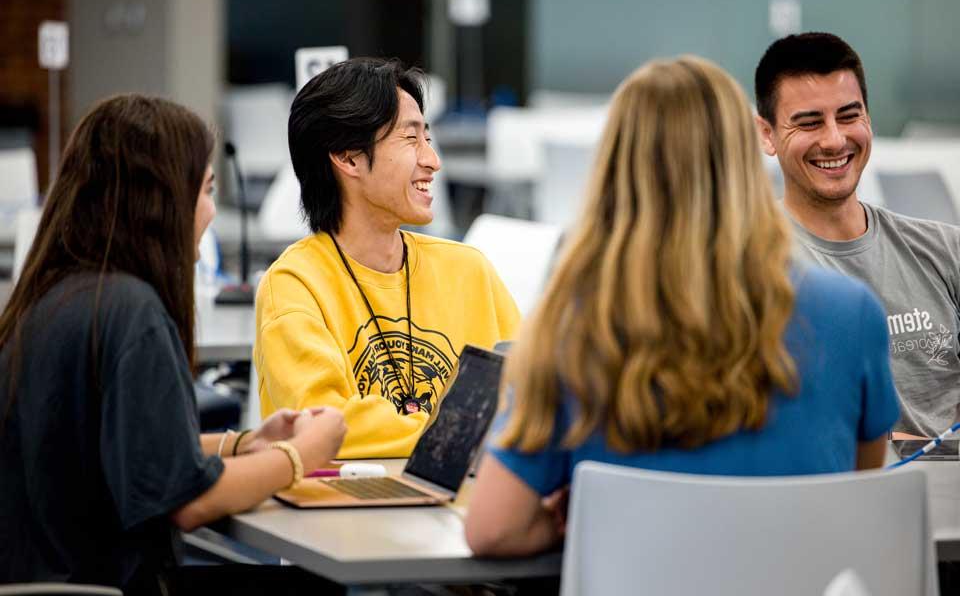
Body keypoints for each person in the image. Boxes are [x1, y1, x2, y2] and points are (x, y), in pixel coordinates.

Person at [464, 56, 899, 557]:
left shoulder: (574, 328)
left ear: (615, 165)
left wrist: (570, 522)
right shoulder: (853, 315)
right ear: (744, 158)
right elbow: (861, 496)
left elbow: (493, 529)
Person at [0, 94, 346, 594]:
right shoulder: (133, 313)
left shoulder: (56, 295)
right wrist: (299, 457)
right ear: (162, 198)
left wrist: (247, 443)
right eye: (205, 190)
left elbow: (133, 449)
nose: (210, 212)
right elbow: (186, 501)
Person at [255, 58, 520, 459]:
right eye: (410, 139)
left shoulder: (469, 271)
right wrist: (464, 438)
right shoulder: (295, 286)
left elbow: (532, 398)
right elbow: (324, 426)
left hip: (458, 510)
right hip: (344, 513)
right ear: (348, 158)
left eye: (427, 138)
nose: (432, 160)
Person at [754, 32, 960, 439]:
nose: (834, 139)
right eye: (809, 122)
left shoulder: (946, 252)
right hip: (828, 497)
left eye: (849, 116)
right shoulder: (748, 266)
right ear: (767, 134)